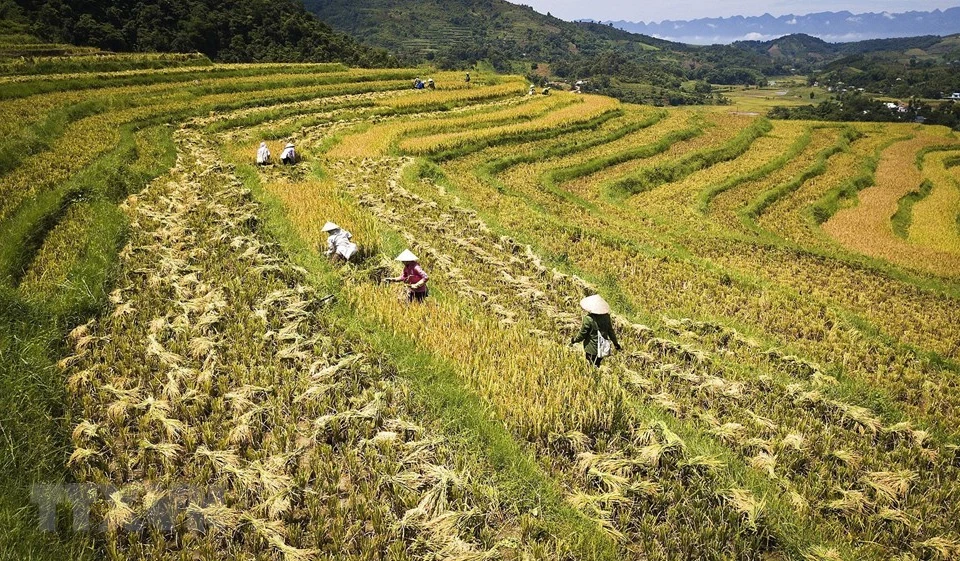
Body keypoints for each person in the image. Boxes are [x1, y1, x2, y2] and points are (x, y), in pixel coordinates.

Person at [571, 294, 622, 368]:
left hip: (591, 349)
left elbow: (582, 334)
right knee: (597, 365)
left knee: (591, 366)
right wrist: (616, 344)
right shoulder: (606, 317)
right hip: (602, 348)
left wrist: (574, 340)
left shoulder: (588, 319)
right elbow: (611, 332)